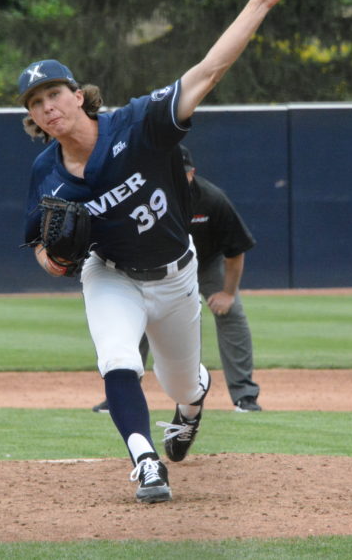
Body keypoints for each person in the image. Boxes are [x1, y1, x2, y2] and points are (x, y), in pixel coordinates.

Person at [20, 0, 294, 503]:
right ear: (31, 117)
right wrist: (48, 260)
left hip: (176, 276)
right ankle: (145, 462)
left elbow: (209, 69)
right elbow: (40, 242)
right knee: (117, 357)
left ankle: (192, 404)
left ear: (78, 95)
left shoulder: (140, 123)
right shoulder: (44, 172)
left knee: (180, 383)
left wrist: (261, 0)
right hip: (110, 274)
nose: (47, 107)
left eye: (54, 94)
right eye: (35, 102)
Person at [92, 145, 263, 414]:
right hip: (154, 265)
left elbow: (235, 251)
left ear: (192, 173)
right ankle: (121, 394)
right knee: (137, 317)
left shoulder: (212, 199)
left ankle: (244, 396)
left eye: (182, 172)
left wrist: (228, 294)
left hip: (205, 265)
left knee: (233, 314)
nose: (176, 176)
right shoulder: (141, 197)